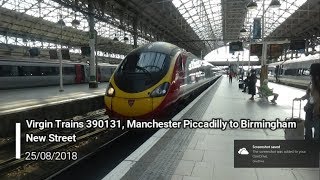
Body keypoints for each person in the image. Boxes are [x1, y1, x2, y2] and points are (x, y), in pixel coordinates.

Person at [310, 63, 320, 141]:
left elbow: (316, 97)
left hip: (317, 111)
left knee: (317, 130)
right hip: (316, 109)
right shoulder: (314, 81)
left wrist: (315, 111)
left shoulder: (316, 82)